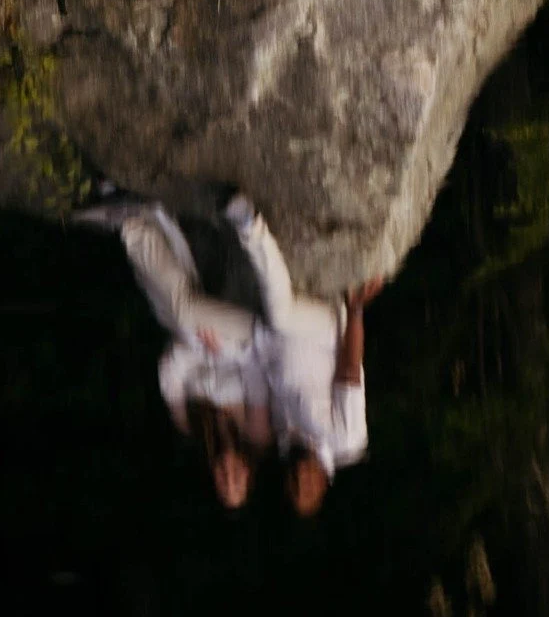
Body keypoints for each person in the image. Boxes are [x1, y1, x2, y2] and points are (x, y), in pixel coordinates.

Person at [78, 188, 377, 514]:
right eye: (306, 488)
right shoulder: (345, 441)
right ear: (324, 485)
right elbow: (350, 372)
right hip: (320, 333)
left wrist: (213, 350)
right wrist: (356, 312)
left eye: (293, 488)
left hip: (261, 339)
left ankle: (134, 222)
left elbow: (254, 371)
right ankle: (249, 223)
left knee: (183, 315)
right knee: (273, 316)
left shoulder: (282, 438)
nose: (298, 480)